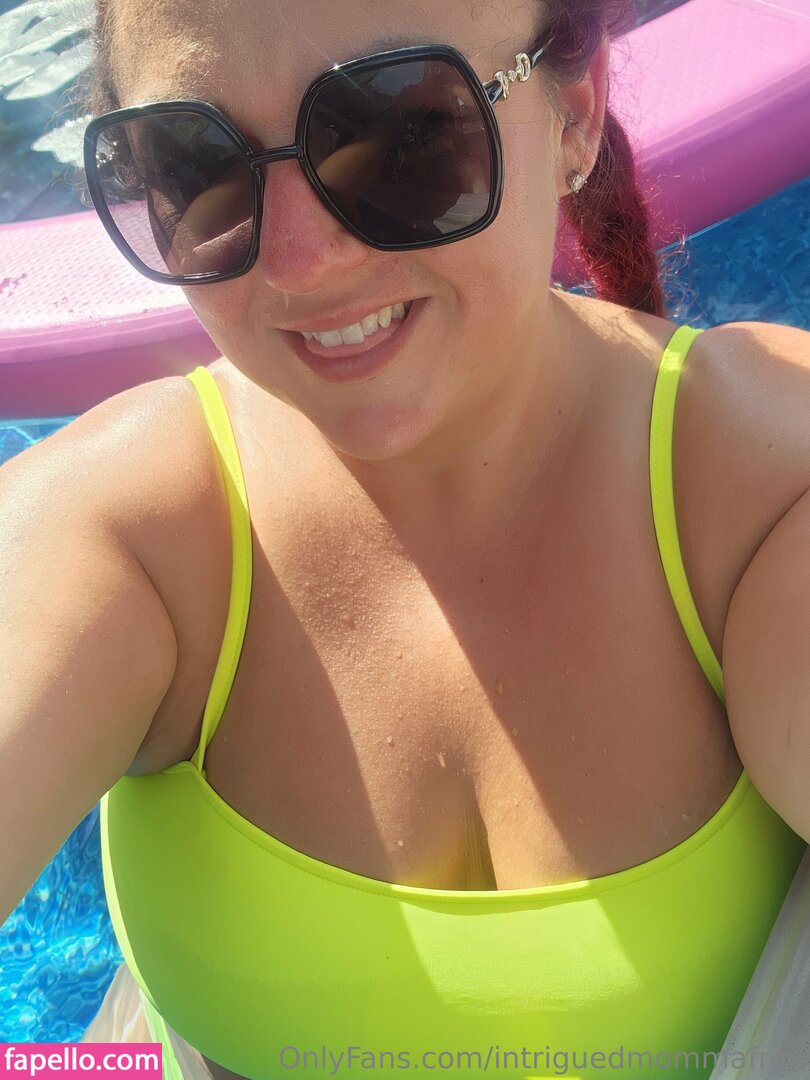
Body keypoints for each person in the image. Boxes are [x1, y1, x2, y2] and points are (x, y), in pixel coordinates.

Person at [2, 0, 809, 1075]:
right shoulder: (132, 532)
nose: (299, 263)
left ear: (573, 109)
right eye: (196, 164)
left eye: (405, 135)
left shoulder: (760, 487)